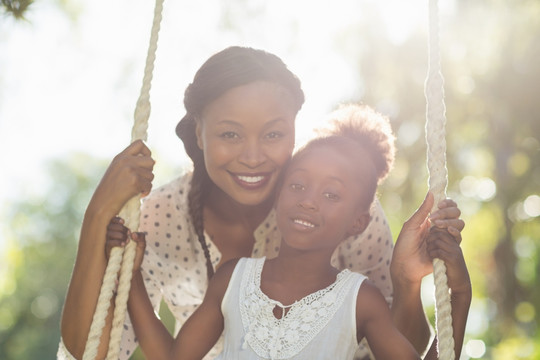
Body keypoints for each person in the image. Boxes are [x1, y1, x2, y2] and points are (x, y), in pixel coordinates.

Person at [58, 46, 464, 359]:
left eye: (272, 135)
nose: (252, 157)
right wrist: (99, 219)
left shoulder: (352, 222)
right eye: (230, 134)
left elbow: (399, 345)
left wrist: (416, 286)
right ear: (198, 132)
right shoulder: (171, 225)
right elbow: (95, 351)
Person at [120, 103, 471, 359]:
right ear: (278, 195)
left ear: (357, 223)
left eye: (331, 194)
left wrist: (459, 295)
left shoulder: (360, 300)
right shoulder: (233, 279)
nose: (308, 201)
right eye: (298, 185)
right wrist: (132, 276)